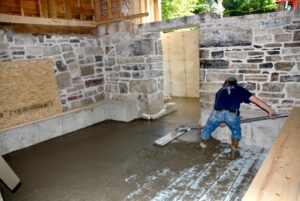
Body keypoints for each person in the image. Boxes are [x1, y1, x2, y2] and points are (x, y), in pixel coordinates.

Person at [200, 77, 276, 159]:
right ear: (235, 83)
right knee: (236, 132)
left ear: (226, 82)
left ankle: (202, 150)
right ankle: (233, 153)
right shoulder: (239, 89)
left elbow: (219, 106)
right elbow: (256, 100)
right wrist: (270, 110)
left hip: (216, 114)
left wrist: (222, 121)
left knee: (207, 130)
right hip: (231, 115)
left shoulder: (220, 91)